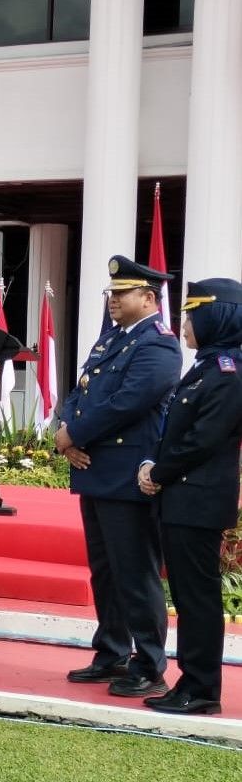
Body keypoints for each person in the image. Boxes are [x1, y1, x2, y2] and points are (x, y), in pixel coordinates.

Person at [55, 255, 181, 698]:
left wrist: (75, 433)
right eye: (112, 293)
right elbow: (80, 391)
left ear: (149, 298)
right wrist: (65, 430)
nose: (113, 300)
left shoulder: (159, 344)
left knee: (135, 571)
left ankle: (148, 662)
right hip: (95, 470)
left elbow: (130, 401)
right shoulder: (110, 342)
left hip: (129, 474)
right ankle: (110, 651)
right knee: (105, 570)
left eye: (122, 293)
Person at [137, 278, 242, 715]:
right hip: (185, 498)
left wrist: (158, 472)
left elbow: (203, 440)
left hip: (196, 500)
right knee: (188, 594)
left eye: (192, 315)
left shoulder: (227, 371)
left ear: (216, 317)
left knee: (197, 599)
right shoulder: (206, 366)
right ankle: (192, 682)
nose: (183, 325)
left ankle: (200, 688)